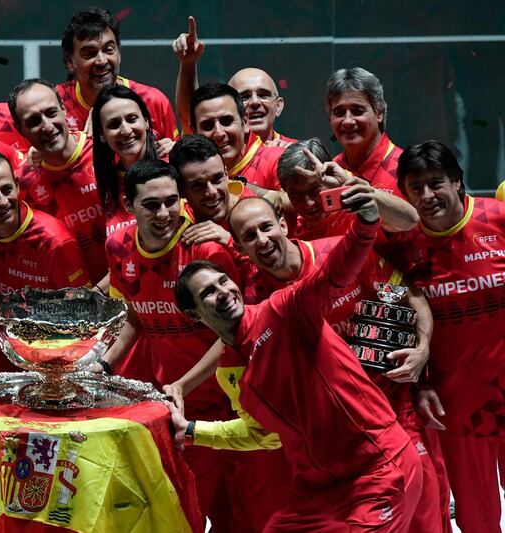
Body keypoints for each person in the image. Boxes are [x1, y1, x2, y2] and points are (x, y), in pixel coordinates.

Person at [171, 193, 423, 530]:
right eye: (208, 294)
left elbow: (333, 274)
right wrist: (190, 430)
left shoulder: (282, 309)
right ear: (193, 315)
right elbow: (261, 434)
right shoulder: (231, 371)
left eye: (223, 282)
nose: (223, 293)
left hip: (377, 470)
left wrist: (365, 223)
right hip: (318, 492)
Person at [96, 159, 277, 531]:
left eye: (172, 201)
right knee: (185, 515)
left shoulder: (205, 250)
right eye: (151, 205)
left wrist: (182, 383)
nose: (164, 214)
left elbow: (234, 333)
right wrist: (104, 365)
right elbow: (136, 315)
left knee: (256, 516)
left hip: (240, 404)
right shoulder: (117, 246)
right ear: (129, 206)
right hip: (185, 412)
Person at [381, 140, 505, 533]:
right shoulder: (400, 247)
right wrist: (420, 385)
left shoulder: (499, 219)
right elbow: (402, 327)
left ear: (457, 180)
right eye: (415, 188)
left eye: (436, 183)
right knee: (477, 519)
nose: (427, 195)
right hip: (457, 407)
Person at [0, 150, 90, 372]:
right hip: (0, 354)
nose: (2, 202)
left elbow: (82, 313)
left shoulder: (53, 241)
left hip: (51, 357)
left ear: (18, 185)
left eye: (7, 190)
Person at [8, 78, 108, 283]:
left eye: (51, 113)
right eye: (34, 121)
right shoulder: (22, 184)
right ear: (20, 129)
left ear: (64, 109)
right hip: (74, 303)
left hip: (129, 290)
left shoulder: (105, 151)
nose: (47, 126)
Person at [58, 7, 179, 141]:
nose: (102, 61)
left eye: (108, 50)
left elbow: (176, 159)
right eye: (89, 54)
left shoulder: (153, 101)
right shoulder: (54, 106)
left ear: (118, 52)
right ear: (70, 61)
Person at [171, 16, 295, 143]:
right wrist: (188, 63)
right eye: (245, 97)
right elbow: (188, 115)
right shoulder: (217, 148)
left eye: (263, 95)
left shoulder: (297, 152)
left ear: (278, 106)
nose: (255, 102)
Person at [276, 138, 418, 240]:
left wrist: (355, 188)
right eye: (296, 195)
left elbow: (410, 220)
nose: (308, 203)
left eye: (314, 190)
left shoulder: (355, 201)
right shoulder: (289, 227)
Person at [92, 84, 170, 236]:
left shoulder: (173, 165)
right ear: (102, 134)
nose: (126, 130)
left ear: (146, 121)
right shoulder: (107, 184)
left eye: (132, 119)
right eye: (114, 124)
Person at [190, 82, 283, 190]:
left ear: (245, 122)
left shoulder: (276, 161)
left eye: (227, 121)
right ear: (194, 133)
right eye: (207, 126)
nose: (219, 133)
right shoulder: (187, 172)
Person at [326, 67, 402, 196]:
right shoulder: (329, 172)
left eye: (358, 111)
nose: (348, 121)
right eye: (339, 113)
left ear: (379, 113)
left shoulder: (404, 169)